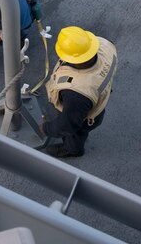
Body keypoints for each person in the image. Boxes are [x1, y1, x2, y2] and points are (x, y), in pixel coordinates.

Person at [40, 27, 117, 158]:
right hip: (97, 102)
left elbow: (67, 124)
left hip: (84, 117)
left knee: (75, 134)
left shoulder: (76, 93)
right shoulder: (105, 46)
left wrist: (46, 129)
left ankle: (73, 150)